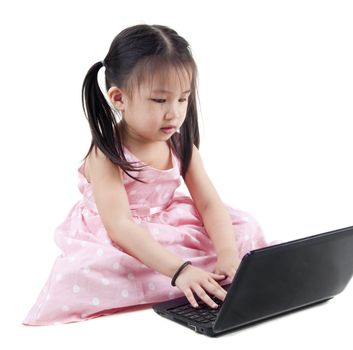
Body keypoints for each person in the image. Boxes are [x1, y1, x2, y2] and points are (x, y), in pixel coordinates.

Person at [22, 23, 280, 326]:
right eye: (160, 100)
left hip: (169, 223)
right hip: (121, 233)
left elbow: (210, 205)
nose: (174, 112)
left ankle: (216, 273)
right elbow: (120, 226)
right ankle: (183, 276)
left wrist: (227, 255)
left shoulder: (181, 145)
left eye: (182, 99)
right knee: (94, 268)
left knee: (244, 226)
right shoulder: (107, 152)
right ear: (119, 98)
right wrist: (179, 269)